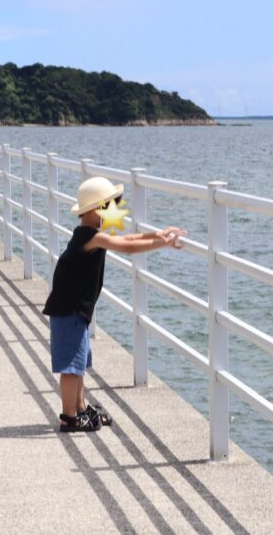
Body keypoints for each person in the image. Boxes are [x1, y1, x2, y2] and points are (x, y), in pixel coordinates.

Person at [42, 176, 187, 432]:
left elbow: (129, 239)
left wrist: (157, 234)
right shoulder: (91, 238)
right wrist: (162, 243)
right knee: (70, 367)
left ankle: (80, 407)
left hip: (76, 310)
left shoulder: (90, 235)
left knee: (79, 363)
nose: (114, 212)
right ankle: (69, 416)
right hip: (69, 310)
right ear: (98, 209)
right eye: (111, 206)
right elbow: (126, 247)